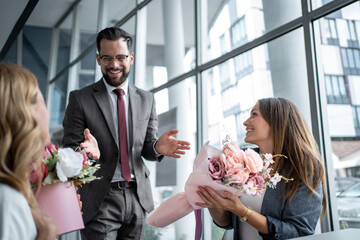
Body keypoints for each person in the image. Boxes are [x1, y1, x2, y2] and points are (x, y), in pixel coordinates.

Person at [62, 27, 191, 239]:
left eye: (121, 57)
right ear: (98, 59)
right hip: (99, 198)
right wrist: (85, 153)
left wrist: (157, 147)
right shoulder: (80, 99)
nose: (114, 64)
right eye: (107, 58)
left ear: (131, 58)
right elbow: (69, 151)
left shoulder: (146, 99)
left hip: (137, 197)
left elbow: (147, 146)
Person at [196, 97, 326, 239]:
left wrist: (242, 211)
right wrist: (213, 201)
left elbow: (299, 231)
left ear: (276, 121)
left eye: (254, 115)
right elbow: (228, 223)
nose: (245, 122)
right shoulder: (241, 160)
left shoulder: (303, 168)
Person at [0, 63, 58, 240]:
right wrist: (47, 235)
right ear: (21, 115)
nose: (48, 113)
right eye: (41, 101)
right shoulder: (8, 202)